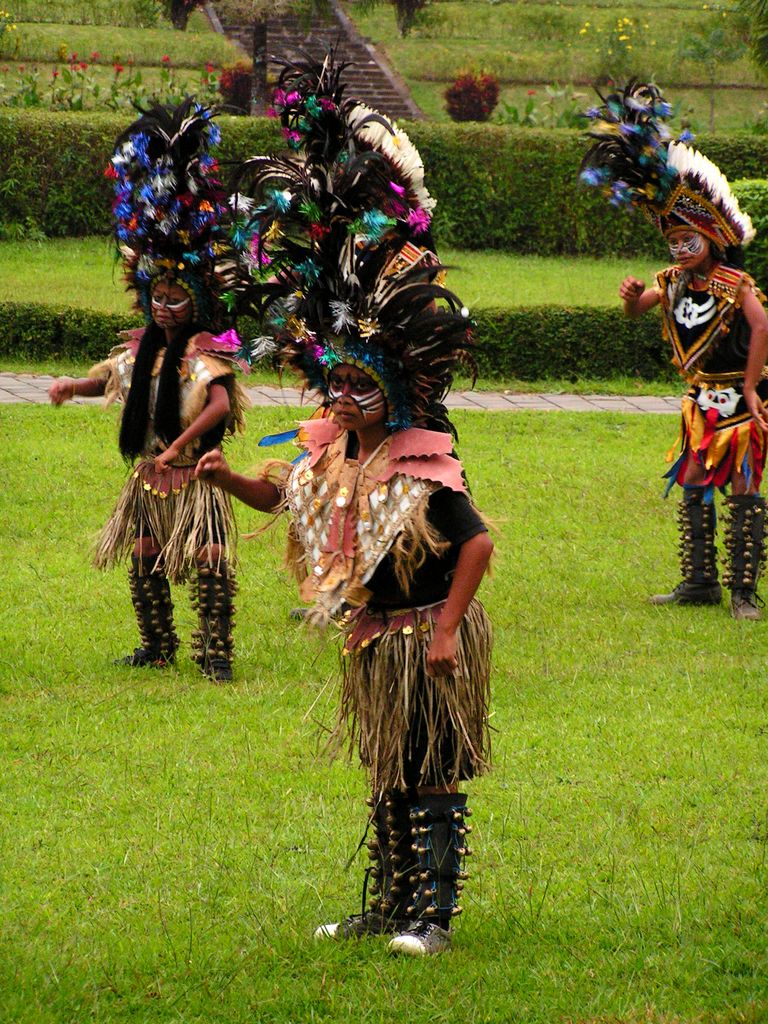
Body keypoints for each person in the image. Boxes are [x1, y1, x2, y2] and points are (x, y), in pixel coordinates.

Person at [204, 53, 494, 955]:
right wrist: (222, 480)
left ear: (399, 391)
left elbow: (477, 546)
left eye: (360, 390)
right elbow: (277, 498)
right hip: (372, 639)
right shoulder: (331, 456)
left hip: (422, 634)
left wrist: (447, 630)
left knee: (431, 768)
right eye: (335, 387)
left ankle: (434, 918)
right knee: (383, 771)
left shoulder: (423, 468)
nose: (341, 403)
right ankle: (387, 903)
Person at [48, 100, 249, 680]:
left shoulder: (204, 355)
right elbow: (108, 379)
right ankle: (157, 646)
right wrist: (71, 386)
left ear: (197, 302)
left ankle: (216, 655)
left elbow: (216, 406)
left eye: (176, 299)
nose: (164, 307)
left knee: (210, 560)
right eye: (157, 299)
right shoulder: (142, 350)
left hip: (195, 474)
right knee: (143, 557)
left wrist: (176, 445)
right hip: (149, 478)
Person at [581, 81, 768, 619]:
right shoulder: (677, 281)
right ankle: (699, 583)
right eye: (674, 243)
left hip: (739, 405)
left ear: (712, 237)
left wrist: (753, 385)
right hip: (699, 405)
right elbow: (641, 307)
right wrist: (632, 298)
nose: (682, 250)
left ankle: (743, 592)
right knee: (692, 486)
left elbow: (761, 328)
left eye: (690, 242)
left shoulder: (736, 282)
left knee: (743, 489)